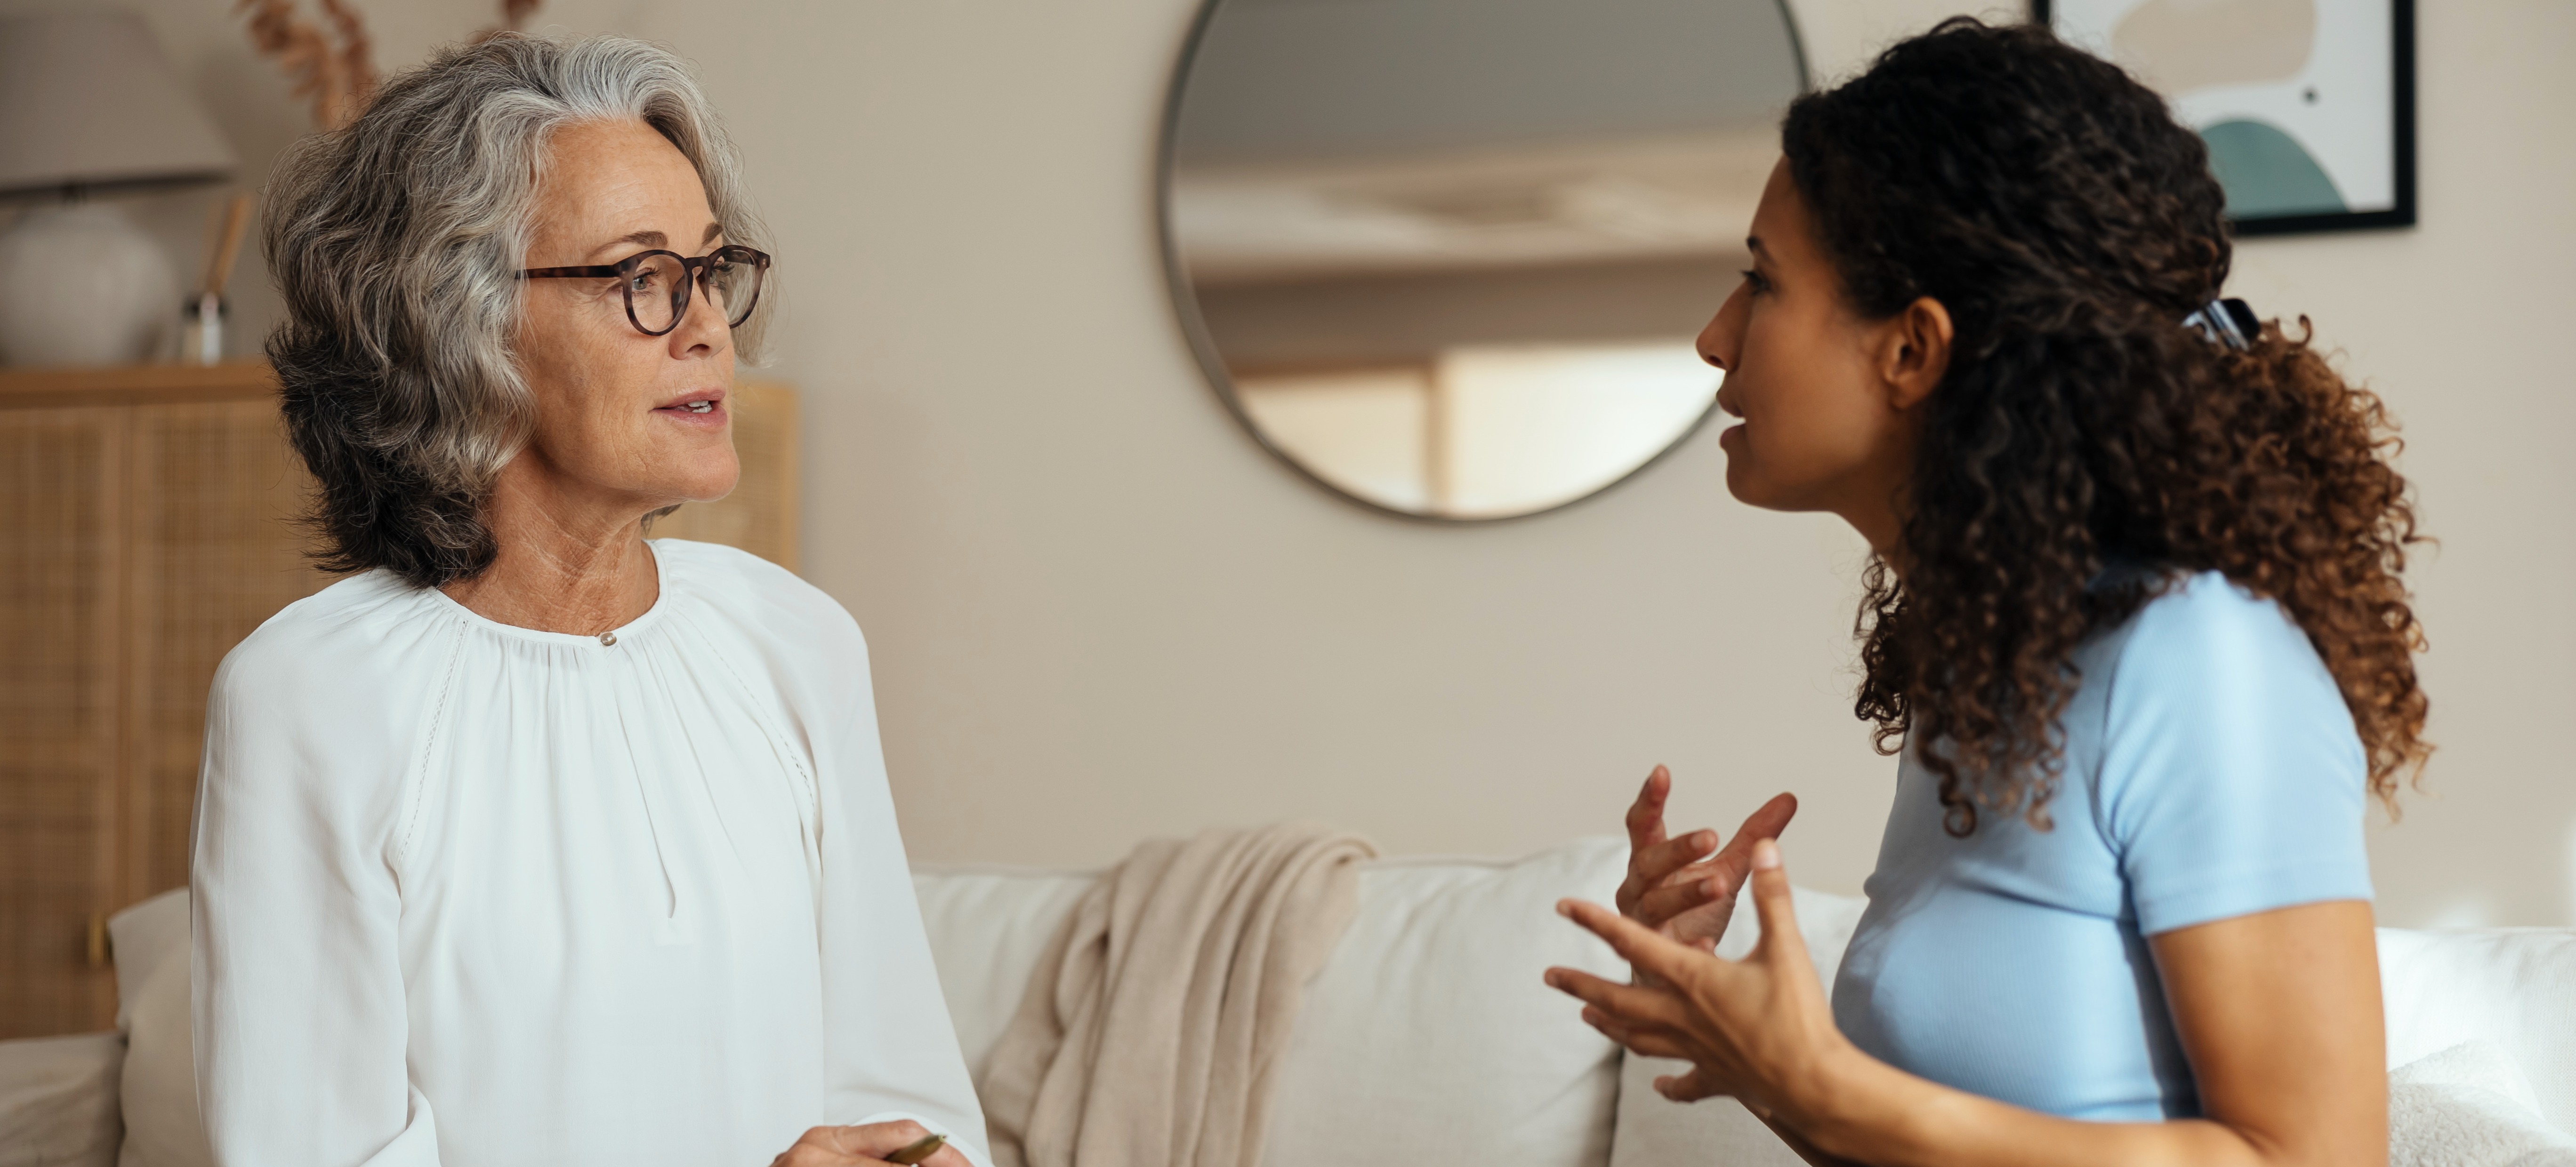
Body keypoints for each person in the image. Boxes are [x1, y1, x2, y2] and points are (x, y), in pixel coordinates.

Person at [1545, 19, 2428, 1167]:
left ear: (1912, 350)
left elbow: (2312, 1159)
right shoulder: (1996, 665)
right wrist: (1750, 1042)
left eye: (1762, 281)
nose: (1717, 338)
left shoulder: (2202, 658)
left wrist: (1827, 1086)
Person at [193, 35, 984, 1167]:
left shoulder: (796, 643)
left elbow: (902, 1092)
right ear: (459, 325)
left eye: (711, 270)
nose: (708, 324)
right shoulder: (311, 698)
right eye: (641, 280)